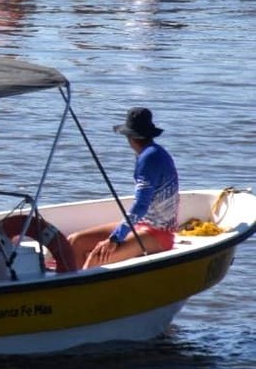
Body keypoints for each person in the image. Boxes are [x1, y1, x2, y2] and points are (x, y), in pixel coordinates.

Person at [68, 108, 180, 268]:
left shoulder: (148, 158)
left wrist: (115, 239)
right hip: (140, 224)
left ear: (130, 137)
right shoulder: (154, 152)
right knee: (75, 241)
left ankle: (80, 289)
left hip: (157, 233)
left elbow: (141, 205)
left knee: (96, 258)